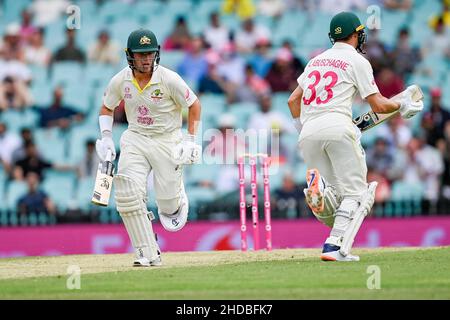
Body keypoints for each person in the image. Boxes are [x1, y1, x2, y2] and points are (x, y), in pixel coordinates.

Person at [287, 12, 423, 261]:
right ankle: (333, 246)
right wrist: (401, 105)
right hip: (338, 126)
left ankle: (325, 213)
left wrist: (303, 128)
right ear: (354, 34)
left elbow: (293, 100)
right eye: (360, 32)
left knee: (337, 196)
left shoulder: (315, 61)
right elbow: (380, 106)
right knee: (359, 194)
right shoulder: (357, 60)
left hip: (308, 133)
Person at [96, 29, 202, 267]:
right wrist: (105, 138)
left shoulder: (169, 79)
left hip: (167, 139)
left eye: (150, 53)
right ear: (129, 55)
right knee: (126, 192)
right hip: (136, 137)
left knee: (169, 210)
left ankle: (176, 199)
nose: (146, 59)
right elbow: (106, 107)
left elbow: (194, 105)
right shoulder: (120, 80)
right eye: (141, 54)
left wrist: (191, 140)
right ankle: (146, 251)